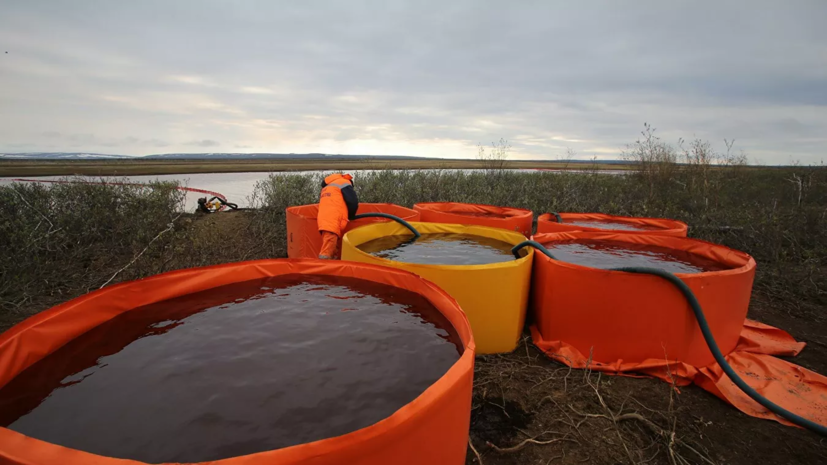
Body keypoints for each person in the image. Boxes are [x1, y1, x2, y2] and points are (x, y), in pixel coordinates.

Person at [317, 173, 359, 259]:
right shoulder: (345, 183)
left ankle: (332, 268)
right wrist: (351, 215)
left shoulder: (328, 187)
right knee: (326, 252)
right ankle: (322, 269)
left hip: (324, 220)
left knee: (333, 249)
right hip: (332, 222)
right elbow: (353, 202)